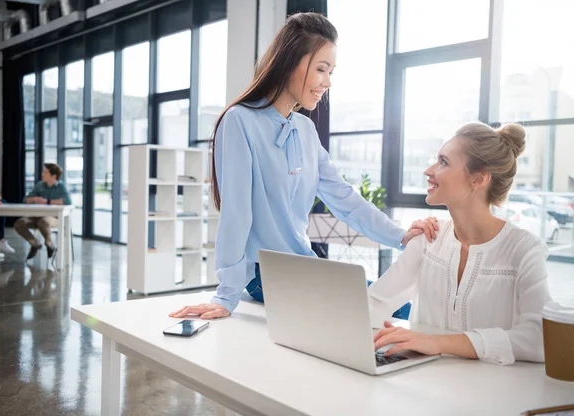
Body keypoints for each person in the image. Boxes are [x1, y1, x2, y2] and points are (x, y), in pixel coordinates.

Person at [170, 12, 438, 321]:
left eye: (331, 71)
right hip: (266, 274)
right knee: (388, 311)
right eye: (321, 69)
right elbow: (236, 213)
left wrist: (400, 236)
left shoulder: (305, 130)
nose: (328, 82)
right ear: (289, 63)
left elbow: (344, 199)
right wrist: (226, 296)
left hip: (304, 266)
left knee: (405, 307)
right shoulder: (239, 121)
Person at [370, 122, 552, 365]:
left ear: (478, 179)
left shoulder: (524, 250)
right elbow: (375, 302)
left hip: (495, 393)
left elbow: (539, 339)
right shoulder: (428, 238)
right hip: (421, 385)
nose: (428, 170)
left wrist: (437, 343)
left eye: (443, 162)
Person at [14, 163, 72, 260]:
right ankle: (35, 243)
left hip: (54, 218)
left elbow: (67, 201)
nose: (42, 174)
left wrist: (47, 201)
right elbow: (26, 200)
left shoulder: (61, 187)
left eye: (45, 172)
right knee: (19, 223)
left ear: (54, 176)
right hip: (36, 216)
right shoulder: (40, 185)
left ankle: (49, 244)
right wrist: (34, 199)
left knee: (43, 221)